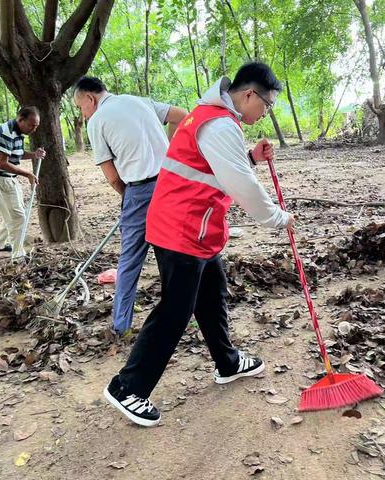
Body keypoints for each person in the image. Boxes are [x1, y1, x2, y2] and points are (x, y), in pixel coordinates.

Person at [104, 62, 296, 427]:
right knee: (176, 311)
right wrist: (277, 218)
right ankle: (127, 387)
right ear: (249, 94)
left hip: (196, 227)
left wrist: (252, 156)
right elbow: (241, 186)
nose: (266, 113)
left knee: (211, 296)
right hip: (182, 229)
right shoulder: (219, 123)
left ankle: (227, 361)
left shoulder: (213, 117)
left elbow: (216, 167)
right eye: (267, 105)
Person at [73, 77, 187, 333]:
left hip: (139, 189)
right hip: (171, 184)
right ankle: (177, 316)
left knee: (130, 260)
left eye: (81, 107)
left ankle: (120, 325)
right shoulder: (140, 101)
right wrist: (170, 152)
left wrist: (129, 196)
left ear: (90, 98)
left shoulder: (97, 121)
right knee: (172, 252)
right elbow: (182, 116)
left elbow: (112, 176)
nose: (83, 113)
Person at [0, 106, 46, 259]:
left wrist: (34, 155)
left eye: (36, 126)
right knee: (18, 216)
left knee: (13, 213)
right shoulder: (7, 132)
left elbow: (16, 154)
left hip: (9, 178)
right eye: (32, 125)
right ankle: (18, 255)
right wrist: (28, 174)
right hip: (1, 178)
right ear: (21, 119)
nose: (34, 129)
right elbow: (2, 163)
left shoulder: (18, 132)